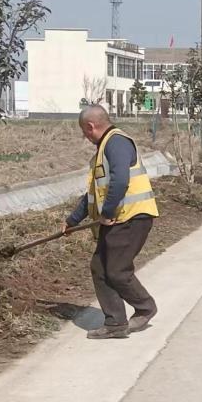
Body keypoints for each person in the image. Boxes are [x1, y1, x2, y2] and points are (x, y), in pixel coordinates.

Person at [64, 105, 159, 339]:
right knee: (99, 267)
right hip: (118, 218)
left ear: (90, 126)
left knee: (116, 270)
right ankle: (115, 323)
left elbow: (120, 181)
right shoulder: (102, 151)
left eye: (84, 132)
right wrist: (72, 220)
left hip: (132, 216)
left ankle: (145, 307)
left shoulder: (116, 143)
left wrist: (107, 212)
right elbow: (93, 194)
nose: (86, 137)